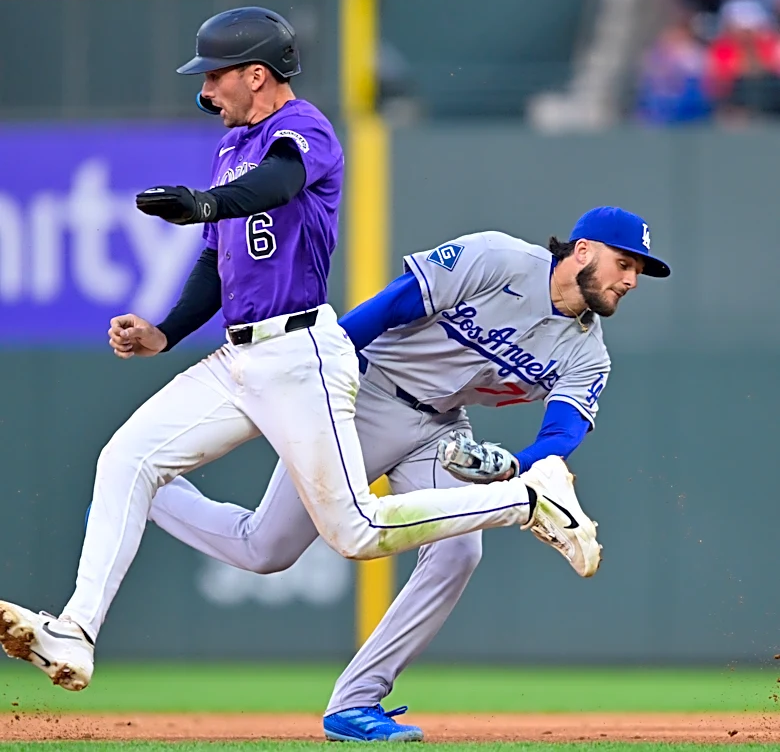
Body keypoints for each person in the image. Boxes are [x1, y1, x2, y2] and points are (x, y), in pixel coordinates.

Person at [0, 10, 640, 695]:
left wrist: (206, 203)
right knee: (129, 460)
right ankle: (76, 630)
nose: (206, 91)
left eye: (215, 76)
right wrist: (166, 332)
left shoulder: (303, 128)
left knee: (357, 533)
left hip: (301, 352)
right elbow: (218, 266)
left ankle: (525, 503)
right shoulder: (229, 150)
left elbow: (277, 184)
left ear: (256, 74)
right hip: (242, 358)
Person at [146, 206, 671, 741]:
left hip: (441, 429)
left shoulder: (588, 353)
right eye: (624, 262)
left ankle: (355, 703)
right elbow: (394, 304)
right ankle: (147, 491)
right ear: (583, 250)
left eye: (638, 271)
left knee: (460, 550)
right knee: (264, 550)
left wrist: (516, 464)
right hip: (365, 395)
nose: (630, 279)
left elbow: (562, 434)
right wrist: (322, 374)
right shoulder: (499, 258)